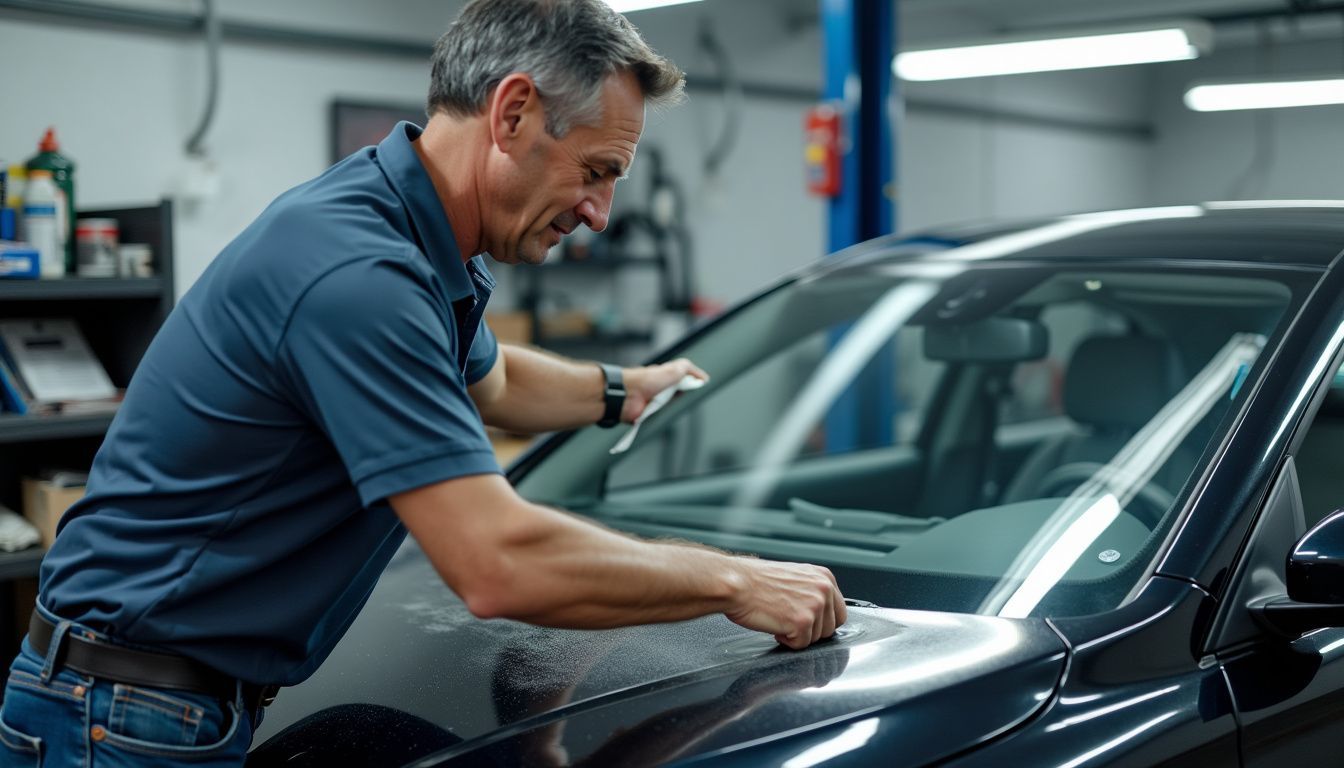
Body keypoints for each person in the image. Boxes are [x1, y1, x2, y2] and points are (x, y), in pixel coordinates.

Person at [0, 1, 845, 764]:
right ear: (513, 113)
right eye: (596, 170)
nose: (601, 213)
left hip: (160, 699)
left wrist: (627, 390)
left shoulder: (413, 233)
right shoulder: (358, 274)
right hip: (120, 714)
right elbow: (498, 564)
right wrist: (738, 581)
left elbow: (494, 378)